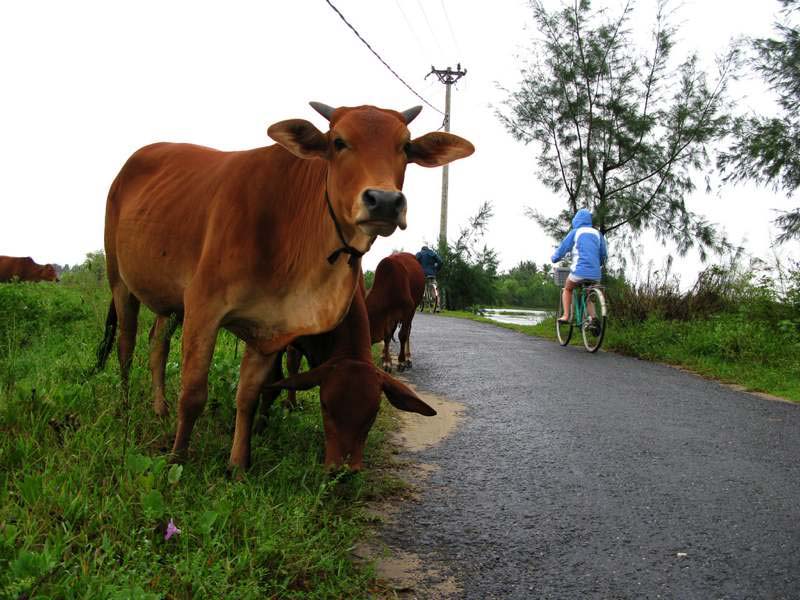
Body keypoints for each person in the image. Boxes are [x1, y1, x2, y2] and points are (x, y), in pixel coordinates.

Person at [551, 208, 607, 323]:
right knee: (587, 294)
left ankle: (566, 316)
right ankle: (594, 319)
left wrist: (554, 258)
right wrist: (598, 264)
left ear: (576, 220)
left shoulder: (576, 232)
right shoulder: (598, 234)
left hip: (579, 272)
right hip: (596, 274)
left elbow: (563, 248)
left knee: (567, 289)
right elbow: (603, 254)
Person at [415, 245, 443, 309]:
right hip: (432, 274)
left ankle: (422, 300)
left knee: (420, 287)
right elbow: (440, 262)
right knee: (434, 288)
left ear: (422, 249)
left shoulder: (419, 254)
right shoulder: (432, 253)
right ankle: (437, 306)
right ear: (427, 249)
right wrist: (436, 269)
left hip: (422, 274)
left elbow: (414, 261)